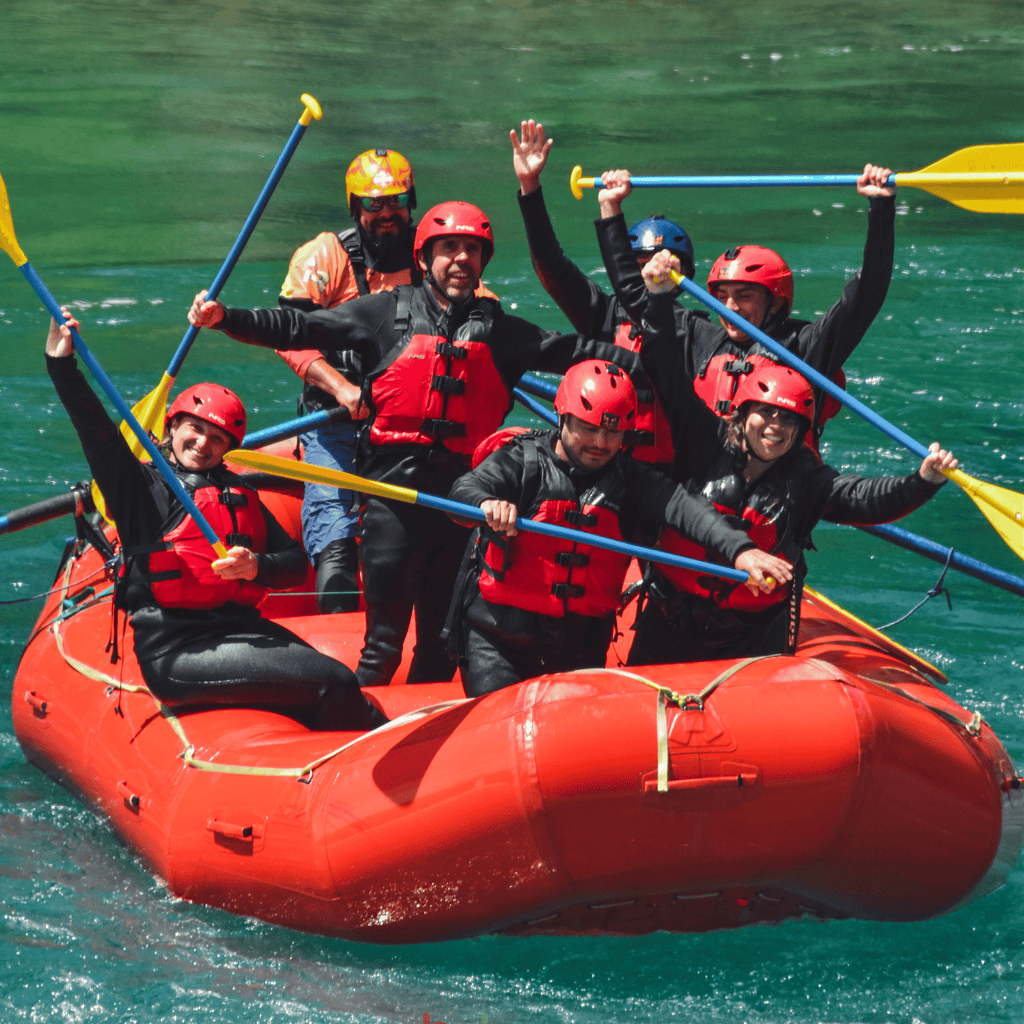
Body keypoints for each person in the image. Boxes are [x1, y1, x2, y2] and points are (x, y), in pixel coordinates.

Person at [188, 201, 615, 688]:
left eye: (472, 250)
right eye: (448, 248)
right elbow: (299, 327)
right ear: (425, 256)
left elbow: (580, 351)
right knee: (382, 648)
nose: (460, 259)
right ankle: (352, 740)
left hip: (461, 509)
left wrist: (650, 349)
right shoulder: (383, 313)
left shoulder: (503, 334)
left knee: (440, 646)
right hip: (394, 504)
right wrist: (227, 318)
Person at [45, 310, 381, 731]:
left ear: (229, 448)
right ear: (173, 426)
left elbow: (295, 564)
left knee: (336, 679)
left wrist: (257, 566)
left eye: (217, 438)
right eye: (194, 429)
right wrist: (61, 365)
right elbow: (97, 433)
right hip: (177, 651)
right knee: (336, 683)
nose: (203, 444)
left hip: (239, 630)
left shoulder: (239, 493)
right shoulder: (142, 488)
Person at [626, 249, 958, 664]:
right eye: (765, 414)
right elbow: (664, 368)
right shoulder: (700, 442)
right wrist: (656, 295)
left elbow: (868, 498)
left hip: (750, 632)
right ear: (743, 413)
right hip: (669, 612)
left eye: (788, 420)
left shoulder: (805, 478)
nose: (774, 428)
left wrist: (924, 480)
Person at [447, 360, 790, 695]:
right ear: (562, 417)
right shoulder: (520, 460)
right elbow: (464, 492)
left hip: (578, 648)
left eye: (612, 432)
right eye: (589, 428)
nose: (600, 442)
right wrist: (485, 504)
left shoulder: (631, 479)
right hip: (499, 641)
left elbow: (690, 511)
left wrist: (741, 551)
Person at [595, 162, 897, 446]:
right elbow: (635, 296)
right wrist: (610, 209)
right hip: (708, 489)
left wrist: (881, 207)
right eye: (722, 296)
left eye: (744, 296)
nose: (730, 307)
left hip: (780, 493)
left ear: (776, 303)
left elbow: (865, 295)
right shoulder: (701, 339)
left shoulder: (806, 348)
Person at [275, 148, 419, 613]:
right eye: (373, 204)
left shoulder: (436, 252)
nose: (386, 214)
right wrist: (341, 388)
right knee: (335, 537)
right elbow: (288, 335)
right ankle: (337, 610)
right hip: (335, 412)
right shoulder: (323, 257)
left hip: (412, 418)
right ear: (355, 208)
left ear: (411, 201)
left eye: (396, 201)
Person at [512, 118, 693, 469]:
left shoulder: (697, 333)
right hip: (608, 470)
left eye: (668, 264)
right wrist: (529, 186)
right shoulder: (603, 317)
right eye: (640, 262)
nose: (654, 271)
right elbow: (550, 264)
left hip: (674, 481)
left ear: (686, 275)